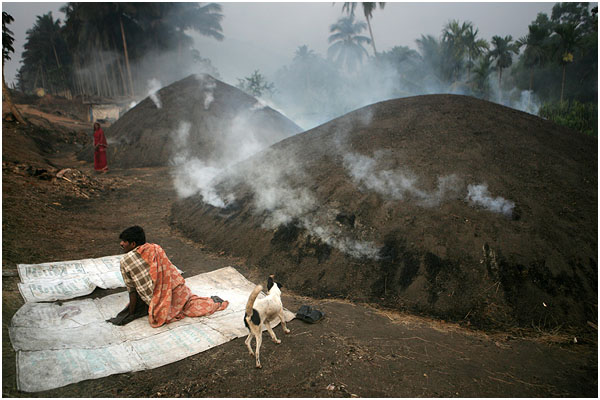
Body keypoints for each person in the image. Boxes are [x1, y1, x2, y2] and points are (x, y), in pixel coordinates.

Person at [107, 225, 229, 327]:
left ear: (133, 244)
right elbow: (171, 273)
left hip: (157, 302)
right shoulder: (155, 249)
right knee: (187, 302)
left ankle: (211, 303)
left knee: (184, 304)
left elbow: (132, 290)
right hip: (174, 292)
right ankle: (213, 303)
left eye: (124, 241)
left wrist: (131, 312)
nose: (121, 244)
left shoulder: (124, 261)